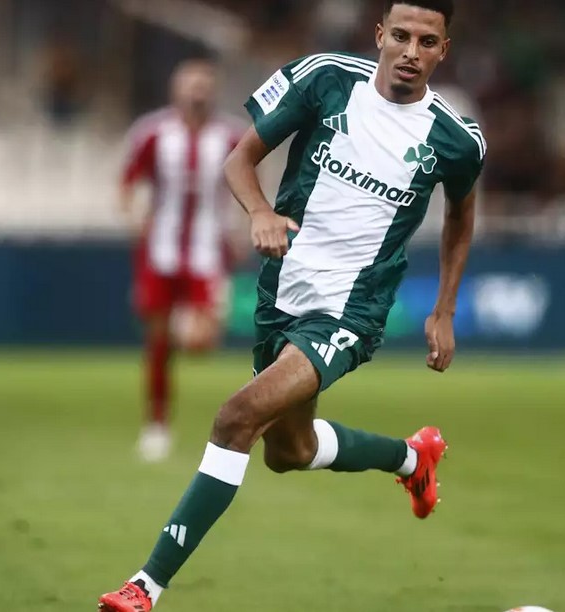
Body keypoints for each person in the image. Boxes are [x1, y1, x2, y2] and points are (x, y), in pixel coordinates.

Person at [100, 1, 485, 608]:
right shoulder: (324, 78)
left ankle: (144, 586)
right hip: (283, 290)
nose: (412, 52)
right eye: (402, 36)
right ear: (380, 35)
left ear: (444, 50)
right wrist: (259, 211)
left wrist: (445, 309)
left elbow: (461, 216)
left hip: (351, 309)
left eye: (427, 42)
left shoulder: (455, 139)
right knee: (290, 451)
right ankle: (413, 458)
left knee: (236, 417)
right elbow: (239, 159)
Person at [120, 58, 246, 463]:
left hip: (208, 251)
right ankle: (156, 425)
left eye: (204, 86)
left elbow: (249, 184)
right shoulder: (153, 132)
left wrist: (245, 227)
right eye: (190, 85)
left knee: (200, 342)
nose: (197, 93)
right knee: (157, 343)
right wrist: (134, 217)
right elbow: (128, 181)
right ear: (175, 90)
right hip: (160, 252)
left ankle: (182, 326)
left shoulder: (231, 136)